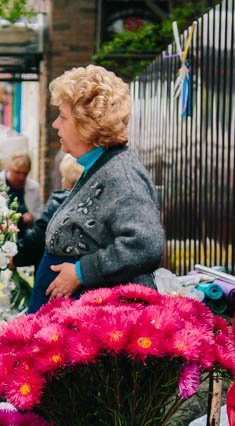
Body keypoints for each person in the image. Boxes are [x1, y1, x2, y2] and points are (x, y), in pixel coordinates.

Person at [33, 65, 165, 312]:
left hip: (93, 323)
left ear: (86, 124)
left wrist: (82, 273)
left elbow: (145, 243)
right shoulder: (102, 168)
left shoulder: (120, 175)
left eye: (63, 116)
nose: (55, 124)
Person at [13, 153, 84, 270]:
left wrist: (16, 258)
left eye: (63, 176)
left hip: (55, 268)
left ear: (68, 179)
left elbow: (40, 236)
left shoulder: (60, 201)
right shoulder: (92, 200)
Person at [0, 152, 44, 232]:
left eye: (25, 174)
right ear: (9, 168)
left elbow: (40, 214)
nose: (21, 177)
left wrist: (32, 217)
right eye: (17, 172)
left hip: (25, 235)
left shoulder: (34, 187)